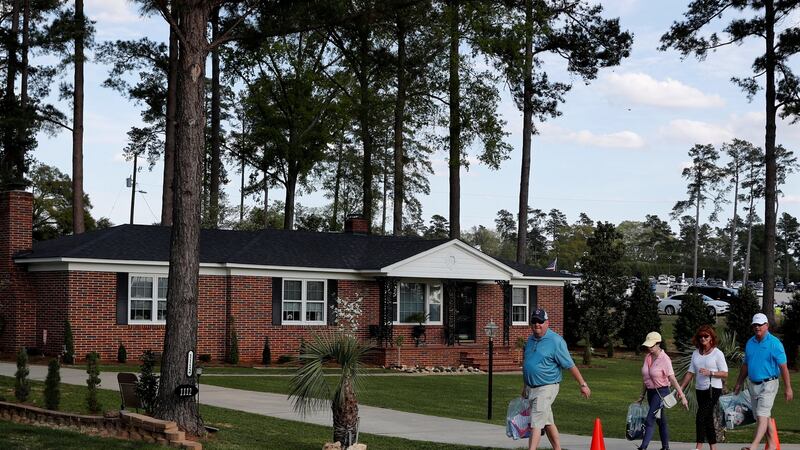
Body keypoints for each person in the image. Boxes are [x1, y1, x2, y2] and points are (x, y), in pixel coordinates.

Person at [520, 308, 590, 450]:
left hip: (547, 387)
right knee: (546, 421)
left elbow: (570, 365)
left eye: (540, 321)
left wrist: (583, 384)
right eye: (534, 321)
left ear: (547, 323)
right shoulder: (530, 339)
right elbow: (529, 363)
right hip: (531, 387)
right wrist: (525, 385)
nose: (537, 324)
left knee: (536, 422)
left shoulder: (556, 341)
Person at [734, 313, 794, 450]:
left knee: (762, 415)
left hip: (769, 384)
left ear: (767, 325)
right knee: (762, 417)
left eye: (760, 324)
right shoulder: (750, 342)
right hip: (753, 385)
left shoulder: (775, 344)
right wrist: (738, 382)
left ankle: (753, 447)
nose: (757, 327)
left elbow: (783, 367)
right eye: (755, 325)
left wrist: (788, 387)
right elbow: (746, 365)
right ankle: (772, 445)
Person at [679, 325, 728, 450]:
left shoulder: (717, 353)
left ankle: (698, 447)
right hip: (700, 390)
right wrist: (681, 388)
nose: (703, 338)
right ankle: (713, 447)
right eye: (700, 336)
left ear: (711, 338)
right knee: (707, 419)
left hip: (713, 390)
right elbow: (690, 372)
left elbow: (725, 373)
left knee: (700, 417)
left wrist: (710, 373)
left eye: (706, 336)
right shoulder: (696, 353)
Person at [637, 331, 688, 450]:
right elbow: (646, 378)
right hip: (650, 392)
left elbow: (672, 379)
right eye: (648, 345)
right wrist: (642, 395)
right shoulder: (648, 357)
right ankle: (666, 447)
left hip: (661, 392)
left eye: (652, 345)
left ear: (658, 343)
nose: (649, 348)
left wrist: (682, 396)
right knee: (660, 420)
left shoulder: (665, 359)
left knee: (650, 419)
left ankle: (643, 447)